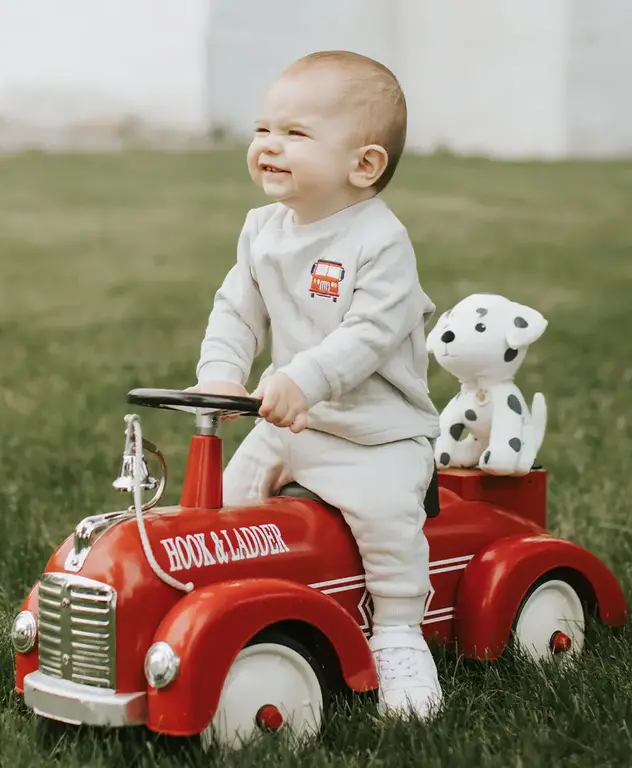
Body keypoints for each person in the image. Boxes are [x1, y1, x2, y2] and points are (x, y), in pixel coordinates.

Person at [189, 50, 442, 719]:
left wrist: (306, 377)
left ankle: (396, 633)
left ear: (363, 165)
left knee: (388, 521)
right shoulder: (262, 231)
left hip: (373, 435)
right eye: (262, 129)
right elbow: (236, 311)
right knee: (225, 507)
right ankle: (222, 606)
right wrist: (221, 372)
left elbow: (369, 333)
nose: (269, 146)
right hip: (288, 424)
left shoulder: (379, 241)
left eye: (295, 134)